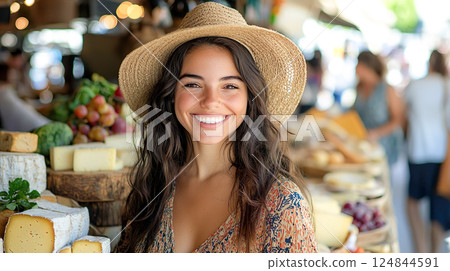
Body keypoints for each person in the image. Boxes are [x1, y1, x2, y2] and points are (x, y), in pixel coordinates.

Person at [115, 2, 317, 253]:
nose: (211, 102)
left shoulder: (281, 205)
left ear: (250, 98)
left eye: (230, 86)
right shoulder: (152, 187)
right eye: (193, 84)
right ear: (171, 95)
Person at [403, 49, 450, 253]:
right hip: (441, 154)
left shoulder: (416, 84)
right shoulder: (446, 86)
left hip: (418, 151)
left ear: (429, 64)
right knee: (437, 208)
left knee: (412, 202)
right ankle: (435, 253)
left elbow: (405, 114)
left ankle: (420, 249)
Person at [353, 51, 404, 166]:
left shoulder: (388, 89)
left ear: (366, 66)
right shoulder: (359, 87)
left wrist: (376, 133)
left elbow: (398, 121)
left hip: (383, 146)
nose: (355, 69)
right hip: (362, 145)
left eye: (358, 64)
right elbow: (354, 113)